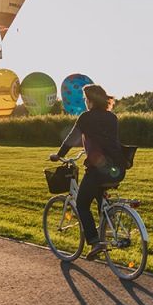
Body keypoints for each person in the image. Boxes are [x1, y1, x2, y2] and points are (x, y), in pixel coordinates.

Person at [56, 84, 126, 260]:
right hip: (118, 169)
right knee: (98, 197)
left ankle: (95, 242)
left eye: (86, 99)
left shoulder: (86, 118)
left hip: (98, 170)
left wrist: (58, 155)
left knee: (81, 204)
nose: (85, 102)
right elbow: (107, 141)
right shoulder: (112, 117)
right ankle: (105, 228)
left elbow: (71, 139)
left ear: (91, 100)